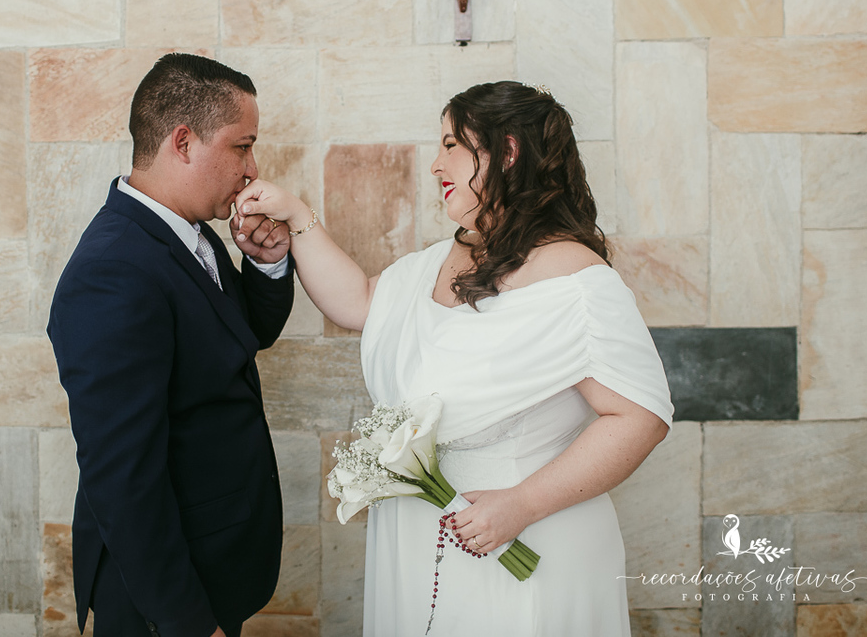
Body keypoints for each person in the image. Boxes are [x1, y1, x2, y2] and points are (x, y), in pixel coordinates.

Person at [234, 81, 674, 635]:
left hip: (519, 534)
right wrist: (295, 216)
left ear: (507, 152)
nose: (435, 164)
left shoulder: (577, 279)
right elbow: (361, 301)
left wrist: (519, 506)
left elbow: (641, 418)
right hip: (418, 536)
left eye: (450, 145)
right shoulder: (446, 256)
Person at [47, 53, 296, 637]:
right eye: (242, 146)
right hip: (162, 597)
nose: (252, 169)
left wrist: (265, 264)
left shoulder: (186, 231)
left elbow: (242, 339)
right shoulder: (111, 272)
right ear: (183, 142)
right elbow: (123, 478)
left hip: (214, 562)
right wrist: (186, 621)